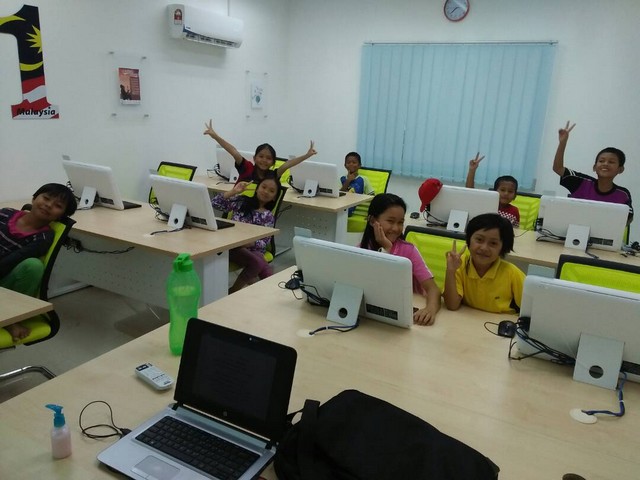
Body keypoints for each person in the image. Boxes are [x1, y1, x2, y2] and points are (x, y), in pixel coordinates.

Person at [1, 183, 77, 342]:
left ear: (61, 216)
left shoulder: (43, 238)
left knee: (33, 266)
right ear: (34, 198)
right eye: (46, 198)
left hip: (3, 279)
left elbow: (11, 261)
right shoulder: (5, 213)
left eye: (58, 206)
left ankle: (10, 318)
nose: (48, 205)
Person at [359, 193, 441, 326]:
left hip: (405, 314)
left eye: (400, 222)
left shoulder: (409, 251)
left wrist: (430, 310)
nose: (396, 228)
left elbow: (433, 289)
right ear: (373, 221)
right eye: (390, 221)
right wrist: (386, 249)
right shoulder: (361, 249)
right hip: (374, 314)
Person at [210, 176, 283, 293]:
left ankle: (273, 292)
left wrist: (251, 243)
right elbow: (215, 203)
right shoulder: (241, 202)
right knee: (258, 262)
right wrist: (234, 191)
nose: (266, 192)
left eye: (271, 191)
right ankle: (233, 292)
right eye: (263, 187)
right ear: (257, 188)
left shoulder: (268, 216)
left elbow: (265, 241)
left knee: (261, 262)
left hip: (251, 249)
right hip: (231, 246)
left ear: (275, 197)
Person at [553, 121, 633, 225]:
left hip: (604, 232)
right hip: (573, 229)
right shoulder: (581, 182)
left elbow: (628, 219)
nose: (605, 164)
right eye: (601, 161)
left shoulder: (623, 194)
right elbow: (558, 168)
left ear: (620, 169)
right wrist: (562, 143)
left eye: (611, 162)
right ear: (594, 167)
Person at [443, 213, 525, 314]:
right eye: (479, 240)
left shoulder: (512, 273)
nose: (484, 248)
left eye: (493, 243)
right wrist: (450, 271)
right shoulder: (460, 264)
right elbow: (452, 305)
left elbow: (532, 310)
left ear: (502, 248)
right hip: (469, 321)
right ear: (469, 240)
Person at [203, 119, 317, 184]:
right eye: (261, 156)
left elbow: (288, 164)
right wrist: (215, 136)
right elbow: (234, 151)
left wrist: (307, 155)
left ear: (273, 162)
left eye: (269, 158)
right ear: (254, 158)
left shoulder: (273, 175)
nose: (264, 160)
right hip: (239, 209)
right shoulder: (247, 168)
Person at [465, 152, 520, 228]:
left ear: (515, 196)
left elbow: (515, 230)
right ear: (494, 192)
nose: (506, 193)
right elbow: (470, 192)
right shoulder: (486, 204)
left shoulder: (514, 211)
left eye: (510, 191)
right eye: (502, 190)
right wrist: (472, 170)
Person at [340, 151, 375, 216]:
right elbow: (338, 195)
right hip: (341, 209)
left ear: (359, 165)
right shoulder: (342, 179)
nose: (351, 164)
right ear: (345, 165)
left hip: (354, 210)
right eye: (348, 162)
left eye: (354, 162)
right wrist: (348, 181)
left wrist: (372, 214)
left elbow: (372, 197)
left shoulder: (363, 179)